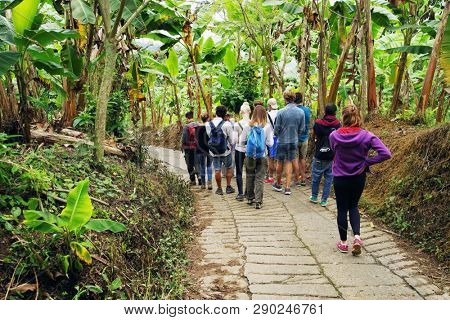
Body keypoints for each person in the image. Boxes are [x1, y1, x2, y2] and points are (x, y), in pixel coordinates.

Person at [330, 105, 391, 256]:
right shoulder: (367, 135)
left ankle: (343, 243)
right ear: (359, 117)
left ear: (342, 118)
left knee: (342, 208)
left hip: (340, 177)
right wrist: (366, 162)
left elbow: (334, 151)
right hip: (358, 176)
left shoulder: (334, 136)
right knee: (354, 206)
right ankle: (357, 237)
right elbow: (386, 153)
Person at [240, 105, 274, 209]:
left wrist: (248, 145)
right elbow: (270, 143)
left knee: (250, 176)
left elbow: (241, 141)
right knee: (259, 178)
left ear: (253, 113)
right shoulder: (267, 127)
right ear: (264, 115)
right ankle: (258, 202)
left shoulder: (247, 126)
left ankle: (250, 198)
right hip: (262, 156)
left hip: (250, 156)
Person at [272, 90, 305, 195]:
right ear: (294, 98)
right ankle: (287, 187)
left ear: (285, 99)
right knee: (289, 161)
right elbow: (302, 129)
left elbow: (276, 129)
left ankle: (278, 183)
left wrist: (278, 134)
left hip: (282, 140)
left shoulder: (281, 112)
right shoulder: (300, 112)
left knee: (280, 161)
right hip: (293, 140)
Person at [310, 103, 341, 206]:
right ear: (335, 112)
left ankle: (314, 196)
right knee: (329, 179)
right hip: (332, 156)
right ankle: (324, 200)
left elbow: (314, 135)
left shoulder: (318, 123)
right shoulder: (337, 124)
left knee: (316, 176)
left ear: (325, 112)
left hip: (319, 154)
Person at [206, 105, 236, 195]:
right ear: (224, 114)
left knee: (217, 170)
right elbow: (231, 140)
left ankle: (219, 189)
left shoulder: (208, 124)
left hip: (214, 152)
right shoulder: (227, 124)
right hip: (226, 151)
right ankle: (228, 187)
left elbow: (209, 136)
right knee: (229, 167)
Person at [233, 102, 251, 201]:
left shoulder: (237, 124)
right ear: (250, 111)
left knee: (239, 171)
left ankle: (240, 194)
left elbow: (234, 140)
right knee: (250, 171)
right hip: (250, 150)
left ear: (241, 112)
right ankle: (247, 192)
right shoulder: (254, 123)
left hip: (239, 149)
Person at [293, 92, 311, 186]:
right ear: (302, 100)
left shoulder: (293, 110)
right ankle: (303, 178)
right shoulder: (307, 110)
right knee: (302, 158)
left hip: (295, 138)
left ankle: (296, 179)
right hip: (304, 138)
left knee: (295, 158)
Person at [196, 112, 213, 190]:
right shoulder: (210, 127)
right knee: (209, 166)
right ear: (208, 118)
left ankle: (203, 184)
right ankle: (209, 183)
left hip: (200, 149)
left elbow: (196, 140)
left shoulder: (197, 128)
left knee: (202, 166)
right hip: (209, 149)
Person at [181, 111, 199, 185]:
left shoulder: (186, 126)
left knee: (189, 164)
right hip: (197, 147)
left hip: (188, 148)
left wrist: (182, 145)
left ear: (187, 118)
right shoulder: (198, 124)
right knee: (197, 162)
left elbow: (184, 138)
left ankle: (193, 180)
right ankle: (200, 178)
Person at [264, 98, 279, 184]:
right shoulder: (281, 113)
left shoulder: (267, 114)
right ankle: (278, 178)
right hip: (279, 138)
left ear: (269, 106)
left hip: (270, 138)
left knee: (271, 158)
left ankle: (270, 176)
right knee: (278, 159)